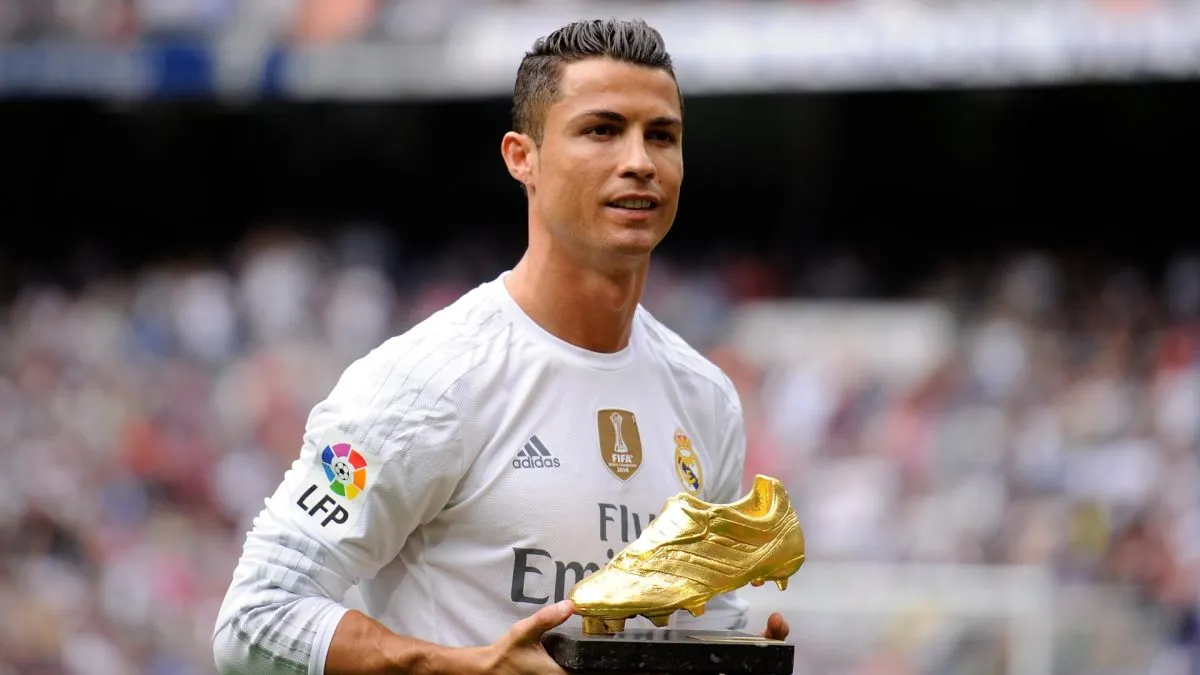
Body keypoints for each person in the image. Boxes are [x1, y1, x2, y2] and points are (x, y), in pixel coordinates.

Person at [212, 17, 790, 675]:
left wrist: (731, 657)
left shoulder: (706, 400)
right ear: (523, 157)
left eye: (662, 135)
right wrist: (467, 667)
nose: (639, 161)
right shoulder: (427, 381)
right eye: (602, 130)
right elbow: (253, 618)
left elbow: (700, 623)